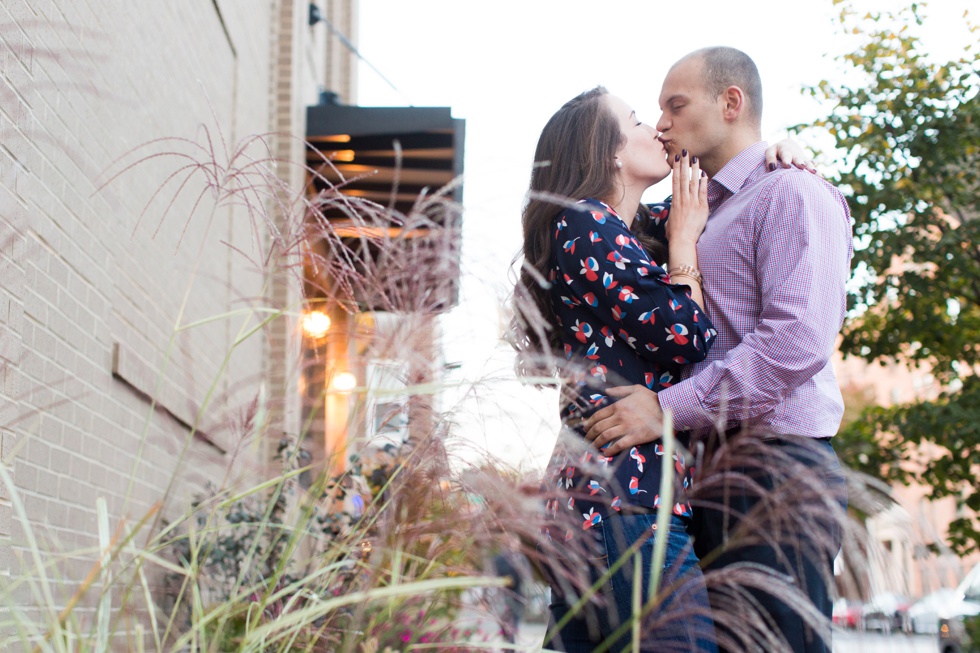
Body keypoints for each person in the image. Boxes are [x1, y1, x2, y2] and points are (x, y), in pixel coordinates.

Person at [511, 86, 811, 653]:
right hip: (624, 498)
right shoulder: (584, 225)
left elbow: (716, 200)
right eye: (636, 122)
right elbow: (689, 337)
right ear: (609, 153)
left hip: (610, 500)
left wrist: (779, 153)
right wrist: (681, 250)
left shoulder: (626, 230)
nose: (656, 128)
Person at [583, 47, 853, 653]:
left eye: (676, 107)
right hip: (702, 477)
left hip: (773, 471)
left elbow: (795, 342)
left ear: (732, 103)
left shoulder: (793, 194)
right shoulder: (697, 212)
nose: (661, 125)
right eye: (655, 113)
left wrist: (668, 408)